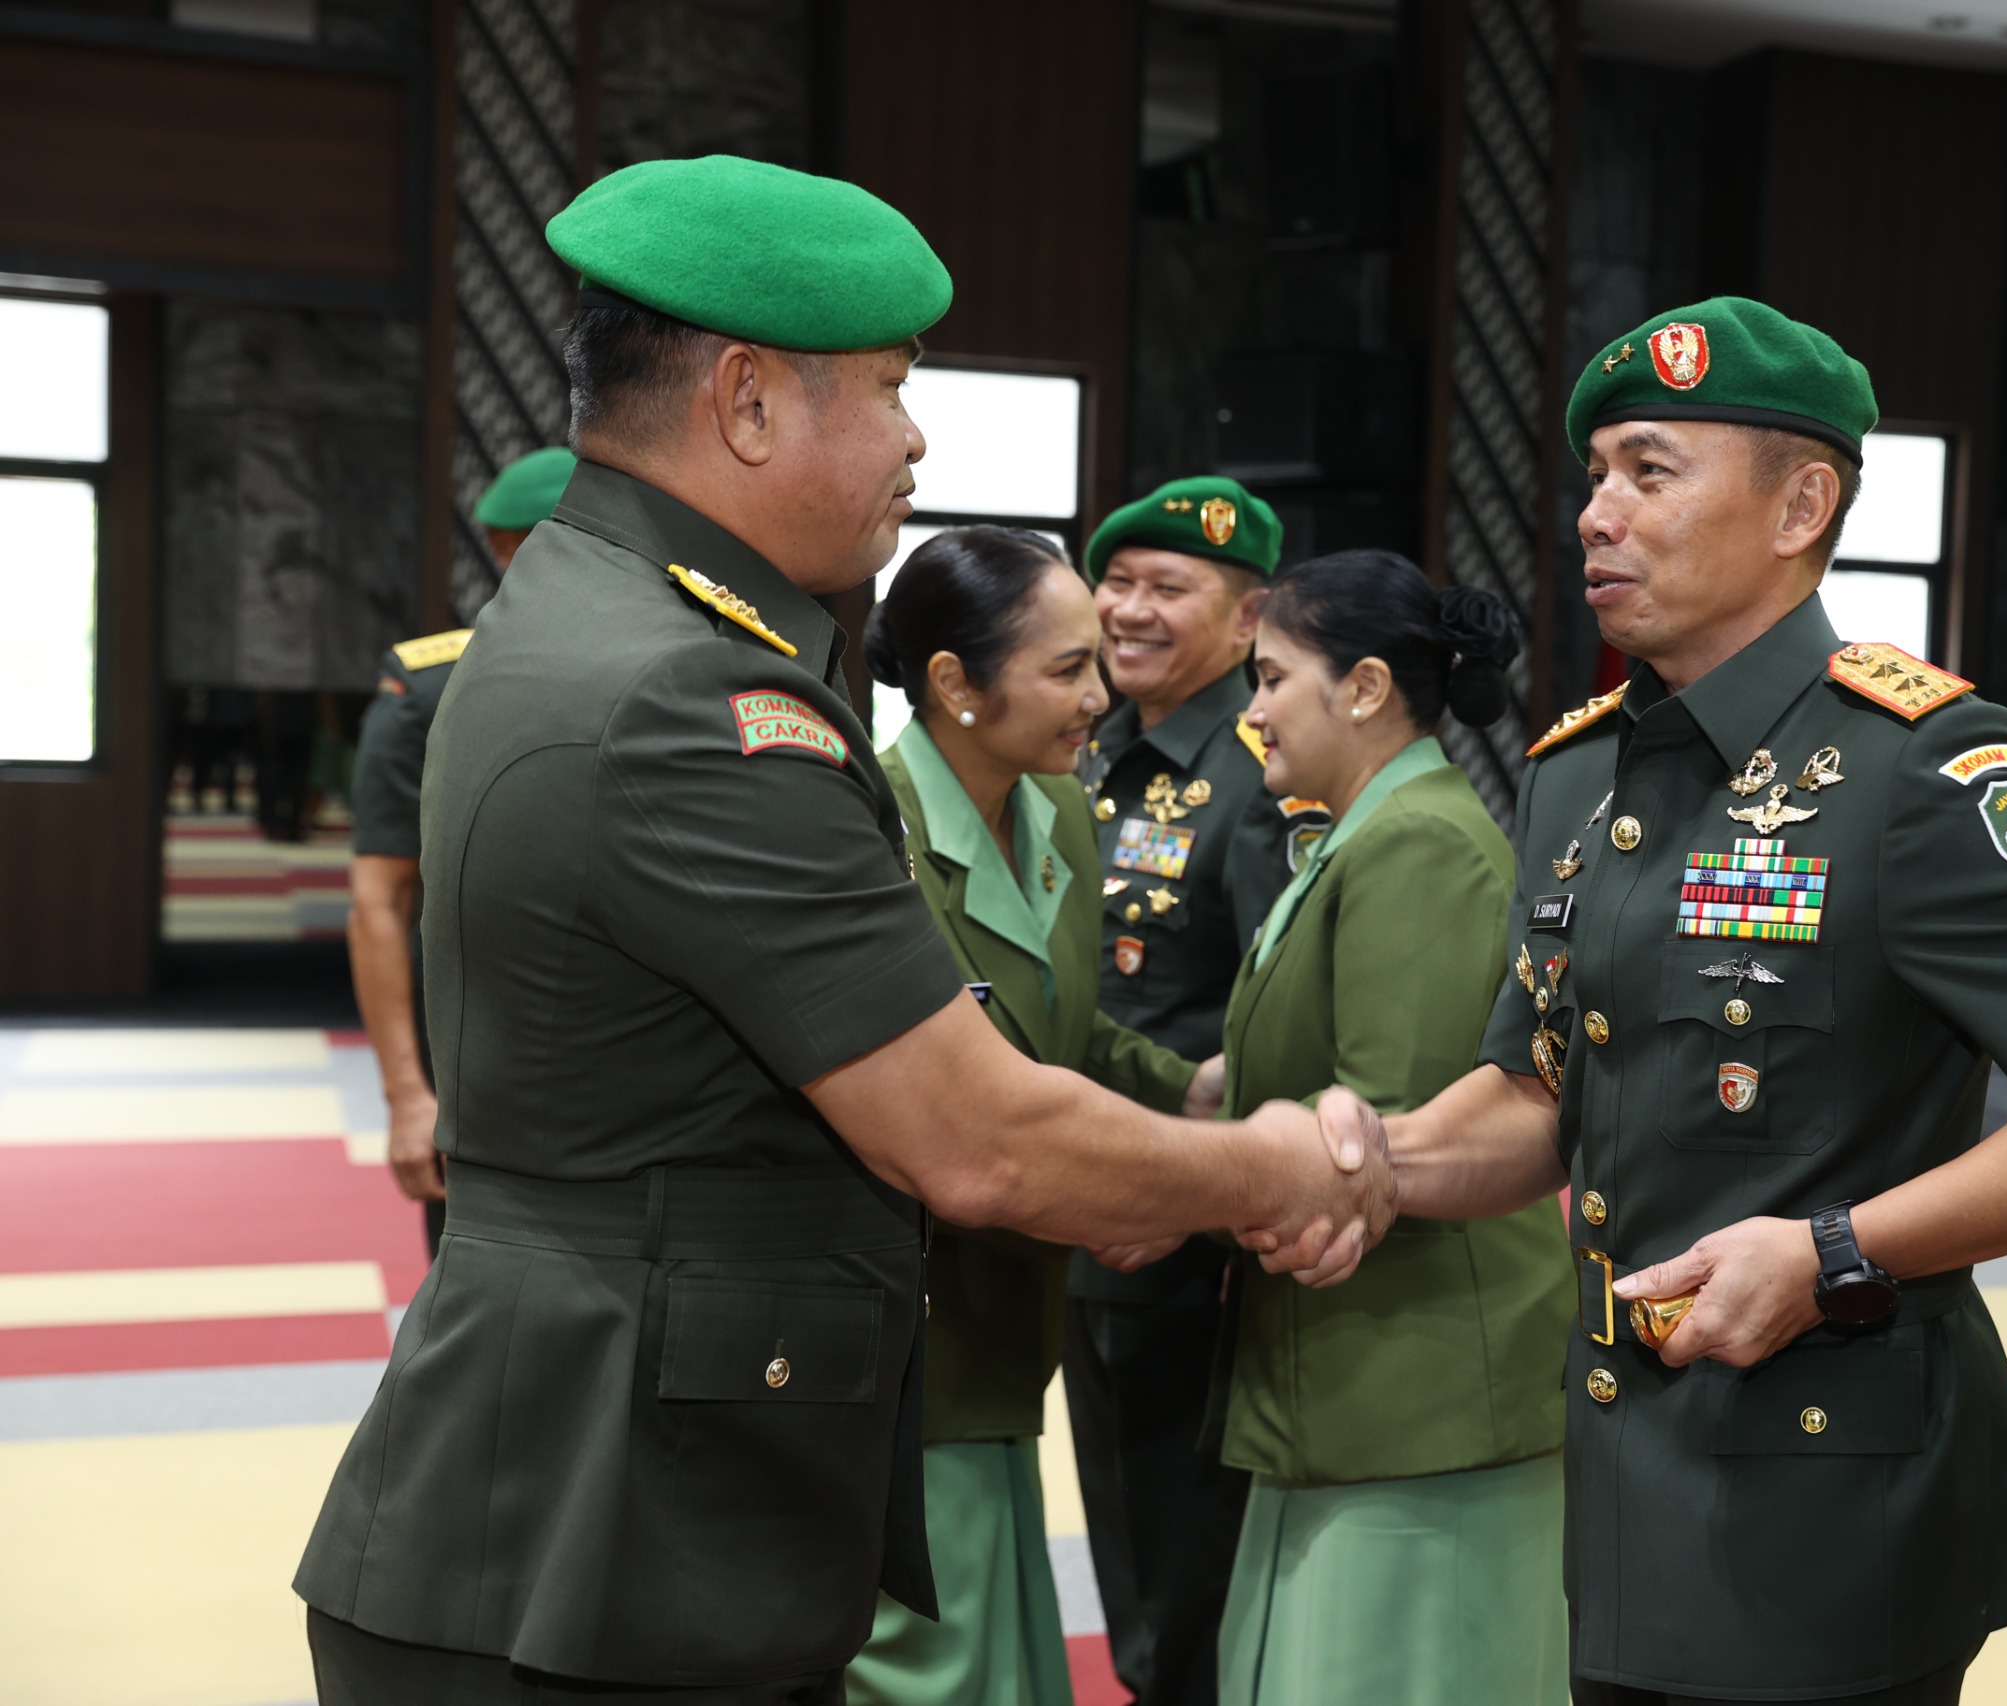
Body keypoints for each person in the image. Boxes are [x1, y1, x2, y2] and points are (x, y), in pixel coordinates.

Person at [292, 154, 1391, 1706]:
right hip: (612, 1552)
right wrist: (1277, 1166)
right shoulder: (694, 694)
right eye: (889, 386)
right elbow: (978, 1140)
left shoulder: (577, 611)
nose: (916, 436)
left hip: (556, 1497)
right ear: (747, 401)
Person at [1305, 297, 2007, 1704]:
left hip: (1829, 1516)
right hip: (1625, 1483)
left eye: (1649, 471)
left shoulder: (1915, 767)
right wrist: (1370, 1160)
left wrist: (1836, 1251)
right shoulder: (1579, 773)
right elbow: (1538, 1091)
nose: (1595, 514)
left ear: (1801, 506)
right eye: (1595, 475)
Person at [846, 526, 1222, 1706]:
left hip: (1011, 1318)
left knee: (1009, 1659)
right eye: (1067, 668)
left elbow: (1065, 1026)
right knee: (932, 1658)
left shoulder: (1057, 808)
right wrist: (1144, 1193)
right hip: (907, 1320)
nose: (1100, 695)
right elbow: (933, 1106)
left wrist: (1189, 1090)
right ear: (952, 682)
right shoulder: (871, 835)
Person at [1194, 551, 1573, 1704]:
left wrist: (1170, 1177)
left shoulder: (1417, 838)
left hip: (1420, 1390)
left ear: (1362, 688)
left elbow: (1375, 1134)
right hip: (1351, 1368)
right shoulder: (1364, 826)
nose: (1253, 711)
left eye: (1271, 677)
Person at [1064, 474, 1325, 1705]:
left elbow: (1283, 1009)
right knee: (1116, 1524)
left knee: (1181, 1551)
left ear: (1246, 618)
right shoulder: (1088, 747)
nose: (1128, 610)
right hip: (1077, 1202)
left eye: (1167, 588)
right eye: (1116, 582)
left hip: (1184, 1228)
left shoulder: (1260, 772)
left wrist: (1203, 1194)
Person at [347, 444, 576, 1254]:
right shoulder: (430, 687)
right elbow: (378, 901)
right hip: (478, 1067)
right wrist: (407, 1096)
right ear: (506, 546)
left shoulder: (689, 671)